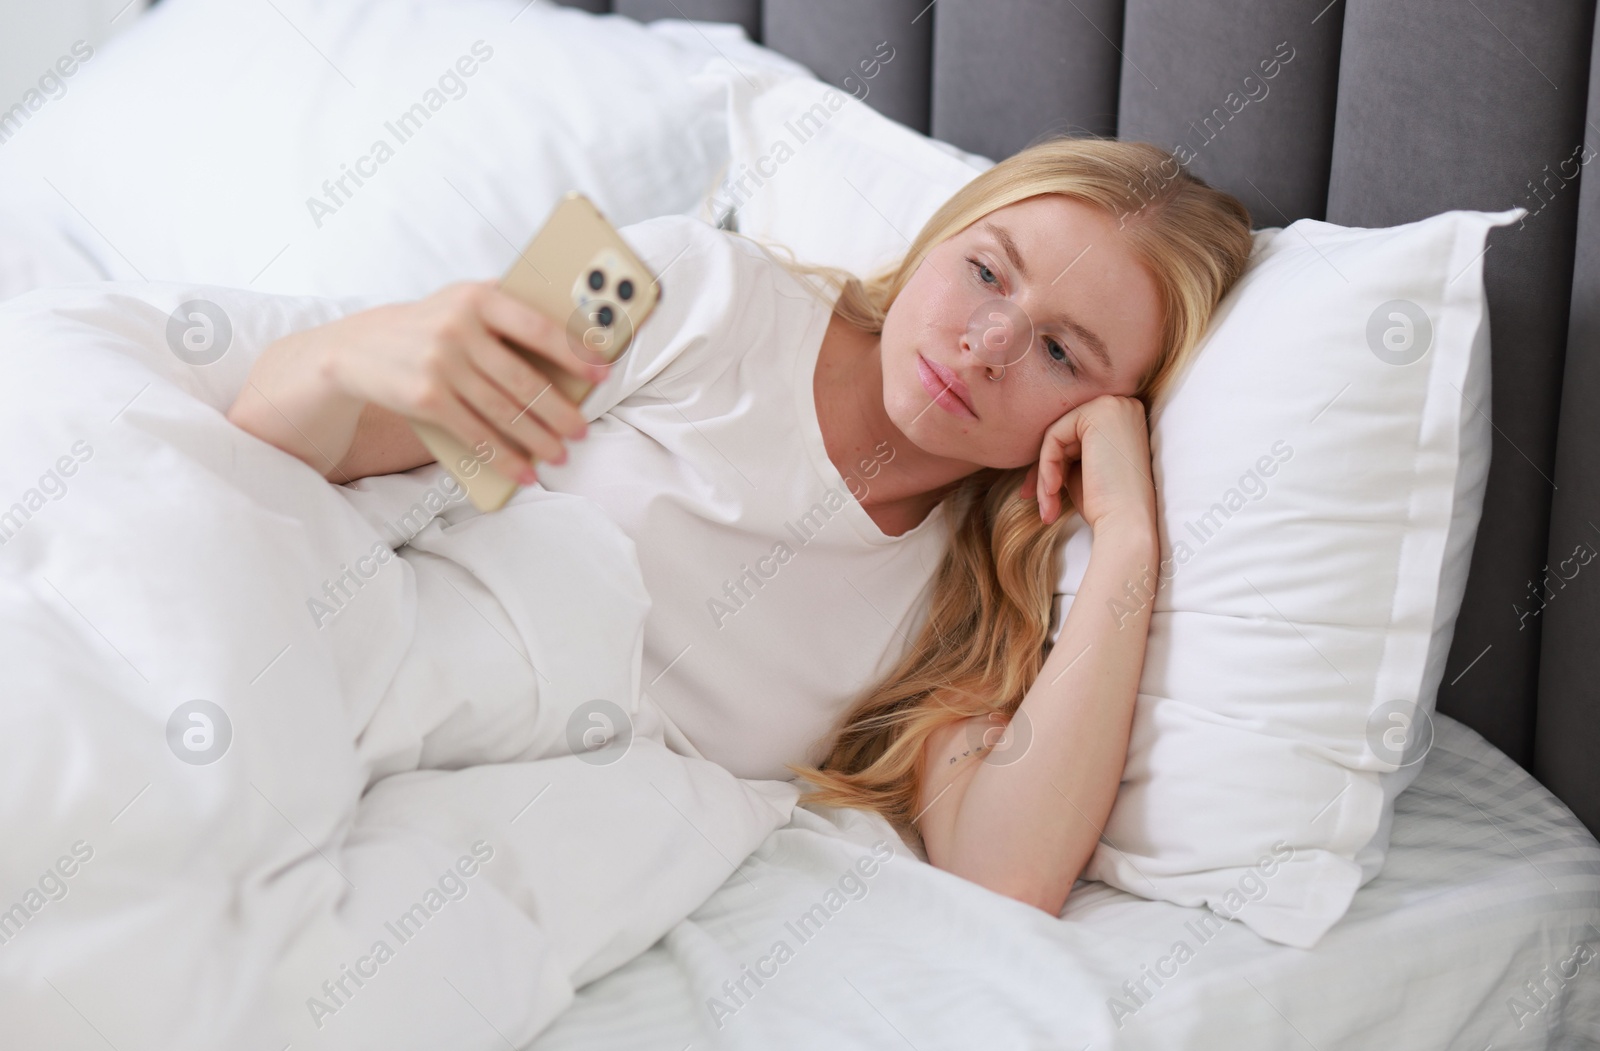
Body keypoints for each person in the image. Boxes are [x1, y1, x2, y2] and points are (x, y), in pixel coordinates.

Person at [227, 134, 1254, 918]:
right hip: (351, 650)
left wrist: (1125, 540)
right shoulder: (685, 275)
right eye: (985, 270)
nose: (987, 341)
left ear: (1105, 412)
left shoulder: (965, 598)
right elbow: (292, 441)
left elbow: (1008, 873)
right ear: (942, 234)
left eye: (1061, 353)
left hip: (510, 833)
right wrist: (343, 357)